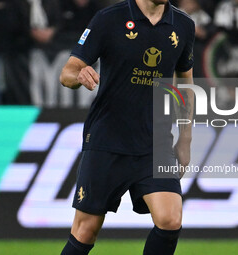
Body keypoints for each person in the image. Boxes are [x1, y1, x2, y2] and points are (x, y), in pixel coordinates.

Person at [59, 0, 195, 254]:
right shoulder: (109, 19)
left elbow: (185, 86)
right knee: (86, 231)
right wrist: (79, 75)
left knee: (170, 220)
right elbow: (68, 71)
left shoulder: (184, 25)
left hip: (155, 143)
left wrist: (185, 138)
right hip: (107, 139)